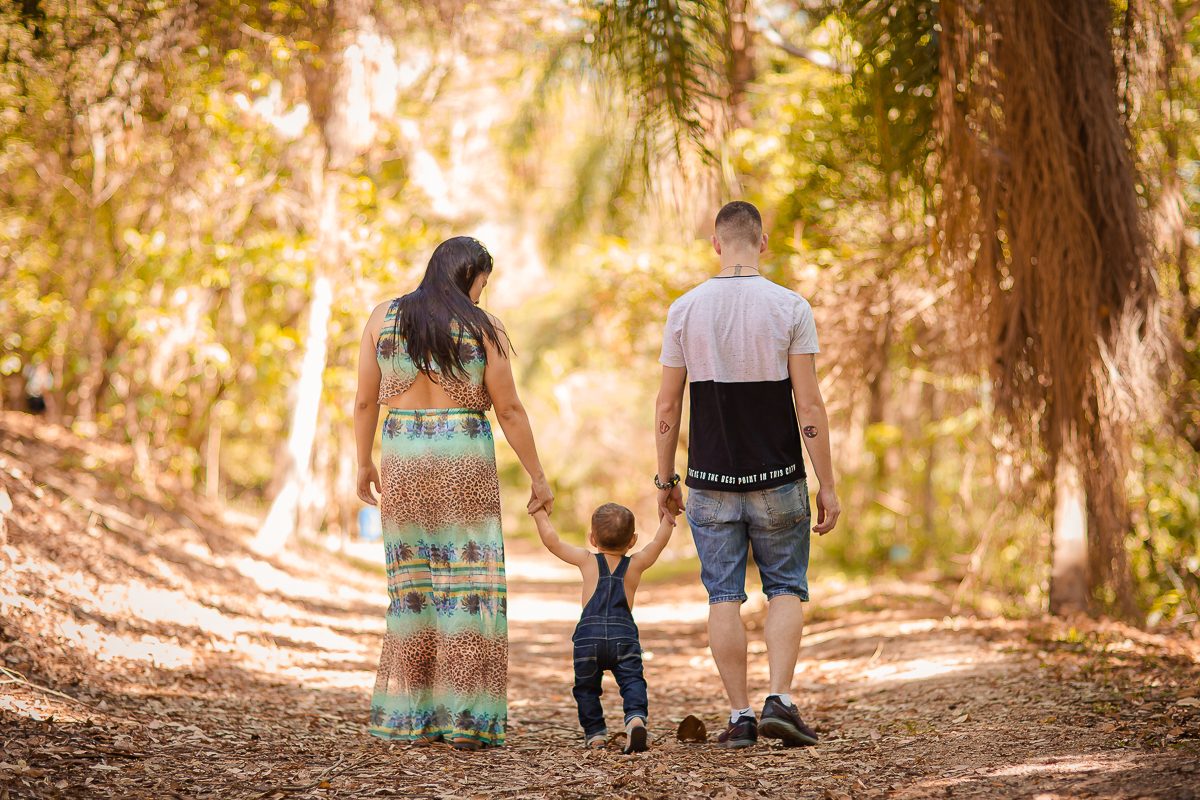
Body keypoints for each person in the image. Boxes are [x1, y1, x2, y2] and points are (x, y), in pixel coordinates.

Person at [354, 236, 554, 750]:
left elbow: (364, 401)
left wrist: (363, 462)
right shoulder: (483, 326)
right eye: (484, 281)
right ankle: (465, 719)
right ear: (470, 275)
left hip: (402, 456)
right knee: (468, 581)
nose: (483, 292)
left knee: (412, 584)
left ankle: (414, 719)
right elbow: (509, 409)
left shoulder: (383, 317)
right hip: (463, 456)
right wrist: (537, 475)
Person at [653, 201, 841, 749]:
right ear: (763, 243)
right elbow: (809, 405)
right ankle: (779, 700)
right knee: (784, 588)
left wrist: (665, 480)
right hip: (779, 477)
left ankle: (740, 718)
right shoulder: (790, 307)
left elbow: (667, 405)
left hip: (710, 483)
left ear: (716, 244)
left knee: (723, 597)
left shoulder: (685, 309)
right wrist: (827, 483)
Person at [530, 502, 676, 753]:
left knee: (586, 689)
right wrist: (668, 516)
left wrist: (539, 512)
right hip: (624, 636)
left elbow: (552, 542)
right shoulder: (636, 563)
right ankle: (635, 719)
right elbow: (658, 543)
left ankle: (596, 734)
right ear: (633, 540)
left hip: (588, 639)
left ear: (592, 539)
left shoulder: (586, 560)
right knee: (632, 681)